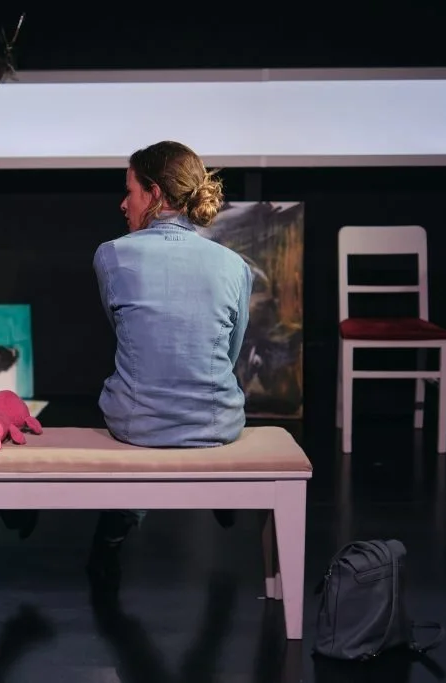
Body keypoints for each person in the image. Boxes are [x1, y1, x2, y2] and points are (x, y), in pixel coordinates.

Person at [88, 140, 254, 588]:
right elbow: (231, 351)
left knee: (142, 405)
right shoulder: (235, 265)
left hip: (138, 424)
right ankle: (217, 484)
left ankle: (111, 538)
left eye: (130, 191)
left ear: (155, 194)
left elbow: (123, 331)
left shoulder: (110, 255)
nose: (123, 204)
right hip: (217, 422)